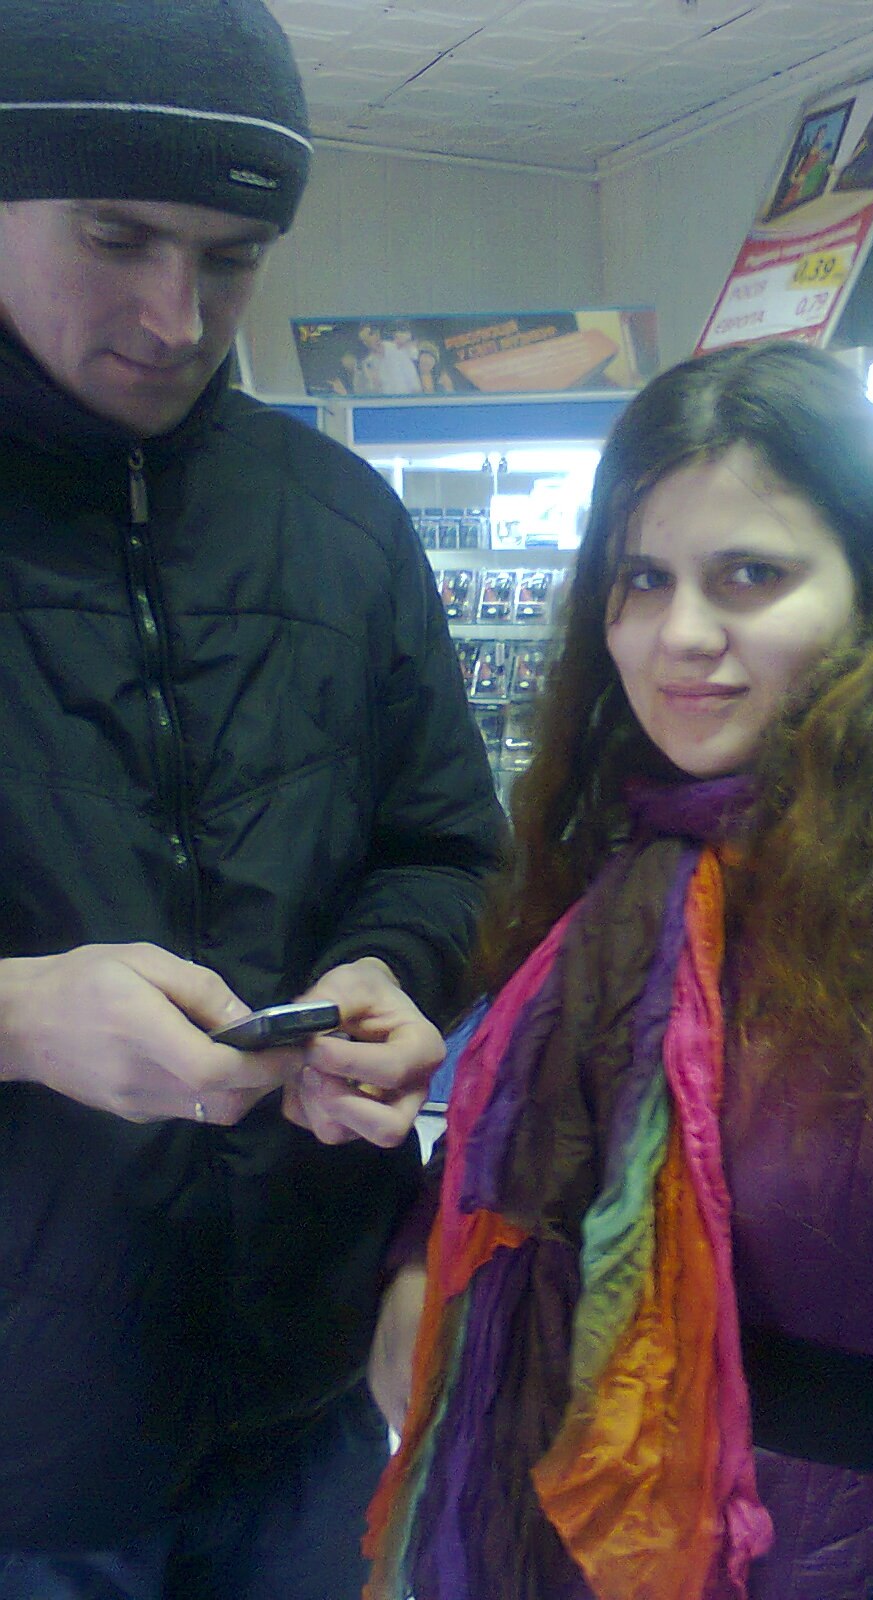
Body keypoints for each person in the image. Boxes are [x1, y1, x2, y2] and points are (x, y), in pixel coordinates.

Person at [364, 341, 873, 1600]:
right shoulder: (617, 886)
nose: (682, 634)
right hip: (559, 1547)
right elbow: (524, 1164)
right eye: (643, 579)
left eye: (750, 575)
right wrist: (420, 1261)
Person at [0, 2, 504, 1597]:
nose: (177, 315)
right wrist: (15, 1018)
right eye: (117, 236)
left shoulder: (344, 524)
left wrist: (394, 974)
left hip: (305, 1406)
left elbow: (446, 848)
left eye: (232, 258)